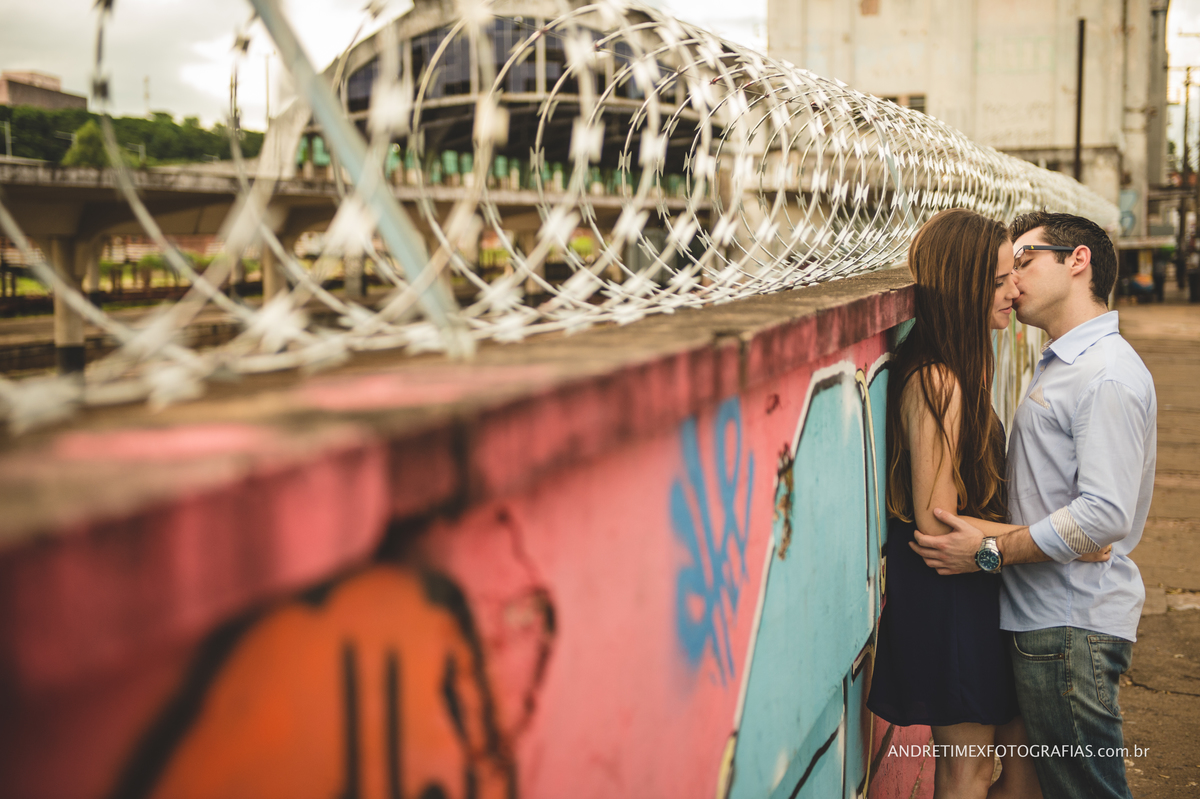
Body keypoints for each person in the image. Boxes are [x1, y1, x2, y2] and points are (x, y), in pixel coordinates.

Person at [910, 211, 1157, 799]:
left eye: (1023, 261)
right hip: (1047, 619)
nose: (1013, 281)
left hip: (1069, 624)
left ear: (1078, 261)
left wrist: (991, 551)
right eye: (1005, 271)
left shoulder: (1104, 375)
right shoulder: (1066, 365)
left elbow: (1103, 517)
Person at [866, 208, 1042, 799]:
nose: (1014, 290)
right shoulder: (938, 380)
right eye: (999, 281)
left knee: (1014, 763)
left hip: (972, 587)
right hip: (948, 594)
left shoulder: (961, 368)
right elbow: (936, 522)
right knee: (967, 770)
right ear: (963, 287)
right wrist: (1053, 539)